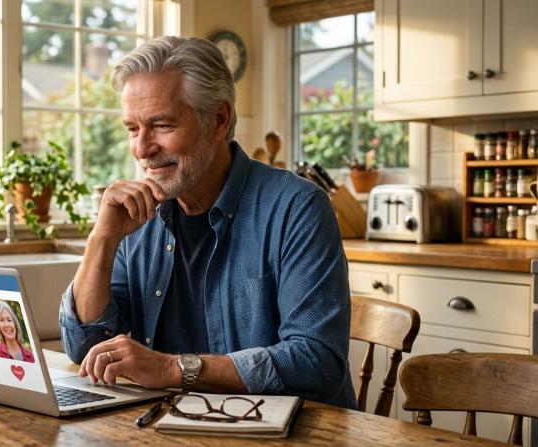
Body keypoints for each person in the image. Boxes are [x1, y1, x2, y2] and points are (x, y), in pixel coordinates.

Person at [58, 36, 356, 409]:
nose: (141, 149)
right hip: (171, 425)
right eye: (133, 129)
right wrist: (101, 240)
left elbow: (316, 362)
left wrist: (173, 369)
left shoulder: (298, 208)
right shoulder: (137, 216)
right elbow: (85, 346)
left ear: (219, 120)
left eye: (161, 125)